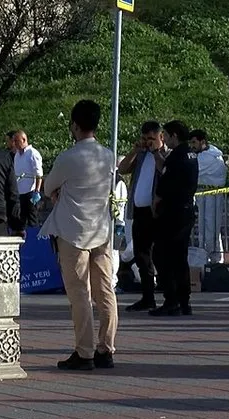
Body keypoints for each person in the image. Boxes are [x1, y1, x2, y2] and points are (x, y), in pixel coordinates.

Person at [40, 99, 117, 371]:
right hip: (101, 229)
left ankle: (84, 352)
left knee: (79, 294)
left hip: (73, 231)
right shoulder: (108, 155)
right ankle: (105, 349)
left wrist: (59, 192)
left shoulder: (68, 157)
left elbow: (49, 186)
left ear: (74, 125)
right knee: (105, 291)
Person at [118, 121, 170, 312]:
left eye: (152, 139)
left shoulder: (166, 154)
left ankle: (168, 296)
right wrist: (134, 151)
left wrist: (156, 152)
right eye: (145, 138)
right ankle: (147, 296)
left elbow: (166, 171)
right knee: (142, 255)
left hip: (157, 212)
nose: (148, 142)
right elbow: (122, 169)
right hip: (139, 211)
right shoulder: (141, 154)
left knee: (160, 255)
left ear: (161, 137)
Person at [150, 120, 199, 317]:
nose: (166, 139)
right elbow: (167, 170)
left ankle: (171, 300)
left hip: (173, 212)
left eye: (167, 136)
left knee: (162, 255)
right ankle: (184, 301)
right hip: (186, 210)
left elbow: (165, 182)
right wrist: (156, 155)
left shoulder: (177, 156)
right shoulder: (191, 154)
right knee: (180, 258)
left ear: (175, 136)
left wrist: (156, 202)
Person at [189, 129, 227, 264]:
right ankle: (213, 257)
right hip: (204, 195)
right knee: (207, 227)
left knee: (210, 227)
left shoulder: (209, 157)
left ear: (202, 142)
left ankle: (209, 256)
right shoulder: (207, 155)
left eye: (194, 142)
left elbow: (191, 171)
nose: (192, 146)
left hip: (212, 195)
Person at [12, 130, 44, 228]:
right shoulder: (17, 155)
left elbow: (39, 174)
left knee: (32, 219)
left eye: (17, 141)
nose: (15, 144)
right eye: (14, 141)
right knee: (21, 220)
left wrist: (37, 191)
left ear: (24, 139)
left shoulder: (32, 153)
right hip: (20, 193)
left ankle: (34, 240)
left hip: (30, 192)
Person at [111, 155, 128, 292]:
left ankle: (112, 281)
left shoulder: (115, 180)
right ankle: (112, 282)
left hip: (115, 222)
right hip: (116, 221)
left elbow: (119, 203)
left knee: (113, 251)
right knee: (113, 252)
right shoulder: (117, 180)